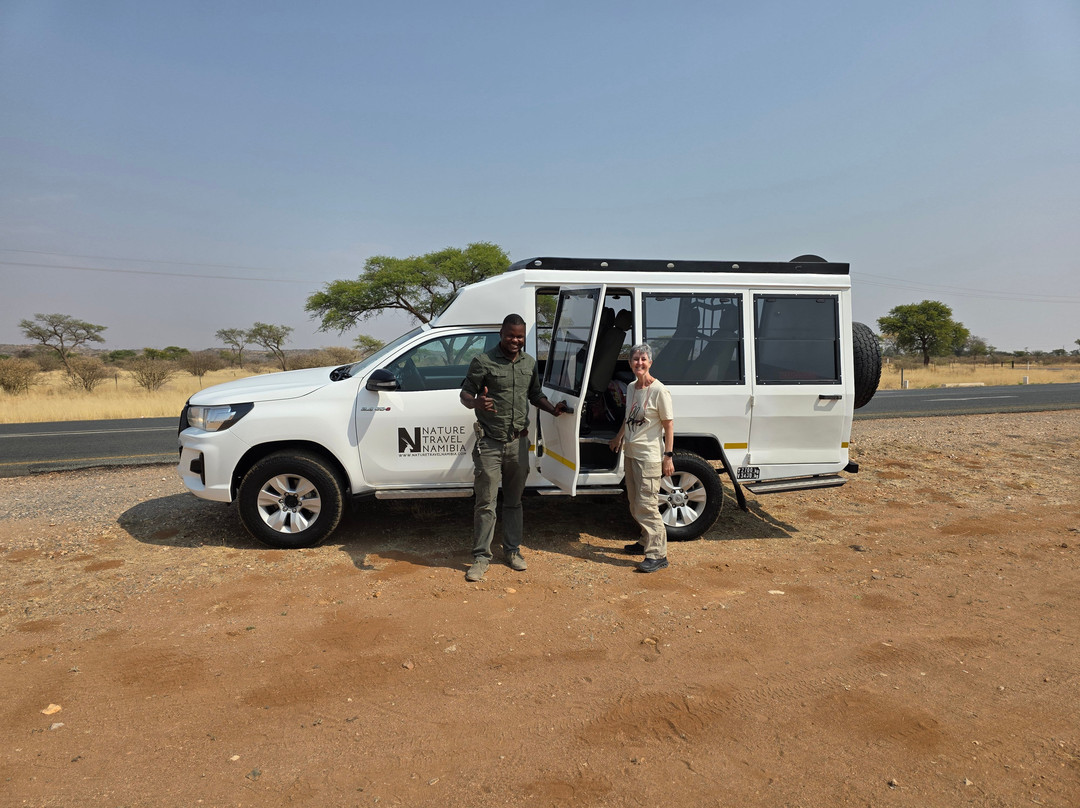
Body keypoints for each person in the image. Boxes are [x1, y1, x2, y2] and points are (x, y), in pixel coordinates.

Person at [460, 314, 568, 582]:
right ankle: (481, 557)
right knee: (486, 502)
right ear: (501, 334)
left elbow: (535, 394)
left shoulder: (529, 363)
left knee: (514, 501)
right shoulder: (483, 361)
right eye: (510, 335)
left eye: (519, 336)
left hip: (519, 442)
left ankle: (512, 551)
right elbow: (465, 394)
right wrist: (476, 403)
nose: (515, 340)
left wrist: (552, 409)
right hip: (489, 442)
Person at [608, 343, 675, 572]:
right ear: (630, 363)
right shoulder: (631, 387)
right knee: (634, 503)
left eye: (643, 359)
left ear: (650, 362)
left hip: (649, 457)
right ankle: (645, 540)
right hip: (631, 453)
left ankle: (658, 554)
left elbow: (669, 426)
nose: (639, 363)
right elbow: (629, 417)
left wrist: (668, 456)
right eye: (635, 359)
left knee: (647, 505)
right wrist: (619, 438)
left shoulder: (659, 391)